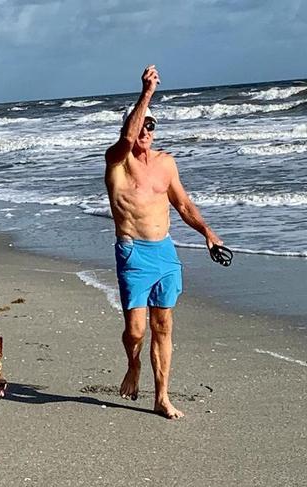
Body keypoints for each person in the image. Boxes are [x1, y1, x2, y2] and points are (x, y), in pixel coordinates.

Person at [105, 65, 223, 419]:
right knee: (136, 331)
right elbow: (126, 140)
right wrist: (146, 93)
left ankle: (161, 396)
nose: (146, 130)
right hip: (133, 254)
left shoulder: (166, 164)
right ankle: (133, 363)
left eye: (151, 125)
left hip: (165, 252)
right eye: (141, 124)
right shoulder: (117, 162)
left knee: (163, 325)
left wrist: (208, 233)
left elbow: (184, 204)